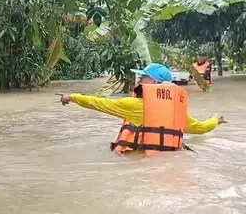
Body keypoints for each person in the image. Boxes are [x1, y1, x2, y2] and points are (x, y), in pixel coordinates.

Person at [56, 63, 226, 156]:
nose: (139, 78)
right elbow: (201, 128)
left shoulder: (133, 105)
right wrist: (216, 120)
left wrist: (72, 97)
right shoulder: (177, 113)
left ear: (153, 83)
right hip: (169, 161)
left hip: (137, 160)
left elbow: (97, 103)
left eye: (143, 76)